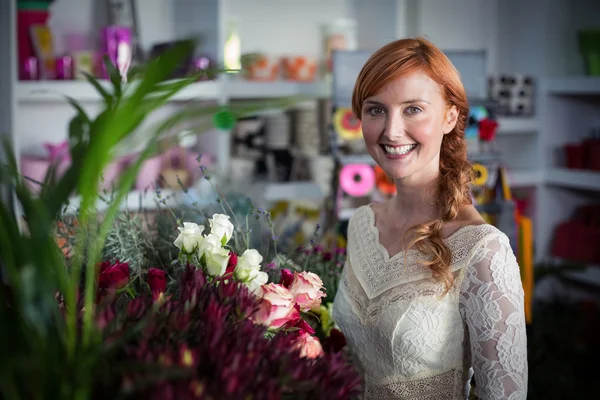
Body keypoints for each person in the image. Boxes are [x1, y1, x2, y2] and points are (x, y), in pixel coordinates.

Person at [332, 37, 528, 400]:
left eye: (413, 109)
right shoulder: (362, 224)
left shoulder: (484, 252)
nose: (391, 131)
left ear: (450, 117)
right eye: (376, 110)